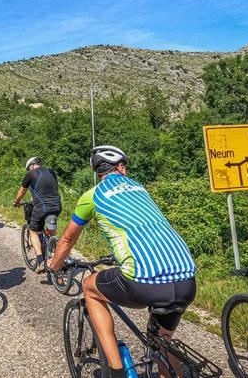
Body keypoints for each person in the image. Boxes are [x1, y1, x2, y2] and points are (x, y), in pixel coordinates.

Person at [48, 145, 196, 378]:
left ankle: (116, 371)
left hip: (143, 280)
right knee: (161, 342)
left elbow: (67, 239)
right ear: (121, 168)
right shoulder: (140, 188)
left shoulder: (92, 195)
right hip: (186, 277)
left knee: (90, 287)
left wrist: (54, 266)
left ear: (99, 172)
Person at [13, 156, 61, 273]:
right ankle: (54, 249)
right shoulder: (51, 172)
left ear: (31, 166)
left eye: (29, 169)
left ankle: (40, 261)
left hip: (41, 208)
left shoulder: (31, 174)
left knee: (33, 231)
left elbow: (22, 191)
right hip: (56, 206)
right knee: (51, 229)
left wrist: (17, 202)